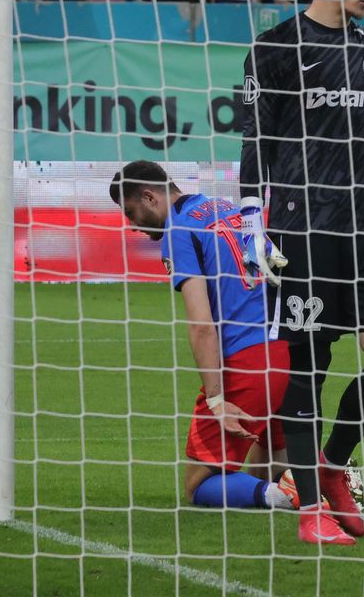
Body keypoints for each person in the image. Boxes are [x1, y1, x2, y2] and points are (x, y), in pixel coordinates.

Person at [239, 0, 364, 545]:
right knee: (309, 365)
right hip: (300, 229)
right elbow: (255, 143)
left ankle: (332, 462)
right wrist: (249, 222)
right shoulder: (275, 47)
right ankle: (311, 509)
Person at [110, 161, 295, 513]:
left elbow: (201, 324)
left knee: (199, 484)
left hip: (245, 363)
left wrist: (216, 398)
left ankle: (305, 494)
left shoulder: (179, 231)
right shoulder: (229, 209)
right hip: (286, 351)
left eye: (131, 212)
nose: (131, 224)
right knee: (268, 468)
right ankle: (310, 486)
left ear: (149, 197)